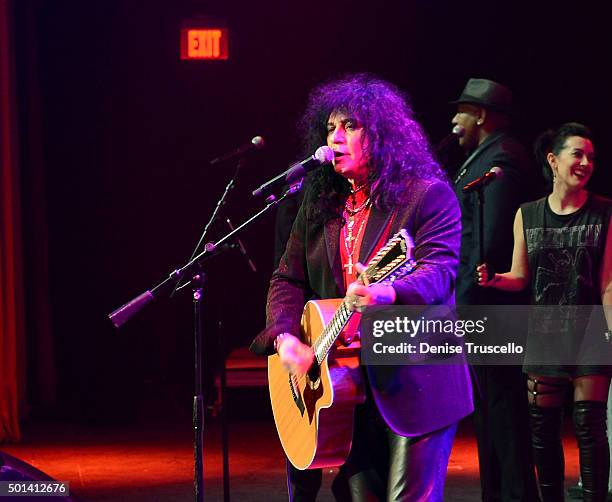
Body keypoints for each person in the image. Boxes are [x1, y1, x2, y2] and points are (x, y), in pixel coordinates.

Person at [251, 73, 473, 501]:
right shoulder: (321, 206)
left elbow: (440, 270)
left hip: (418, 380)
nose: (336, 137)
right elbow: (287, 278)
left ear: (384, 135)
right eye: (331, 127)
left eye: (350, 126)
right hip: (348, 391)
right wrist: (284, 339)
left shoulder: (427, 196)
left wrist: (385, 293)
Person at [477, 122, 612, 501]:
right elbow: (520, 277)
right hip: (545, 336)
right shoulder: (528, 214)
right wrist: (494, 280)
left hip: (589, 334)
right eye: (577, 154)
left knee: (589, 426)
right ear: (554, 160)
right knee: (544, 430)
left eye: (591, 157)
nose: (586, 162)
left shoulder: (604, 213)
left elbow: (608, 282)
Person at [450, 77, 540, 501]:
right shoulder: (482, 157)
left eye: (461, 112)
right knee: (488, 411)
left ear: (481, 115)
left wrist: (462, 308)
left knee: (504, 414)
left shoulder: (504, 157)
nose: (453, 121)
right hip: (478, 304)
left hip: (491, 306)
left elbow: (490, 241)